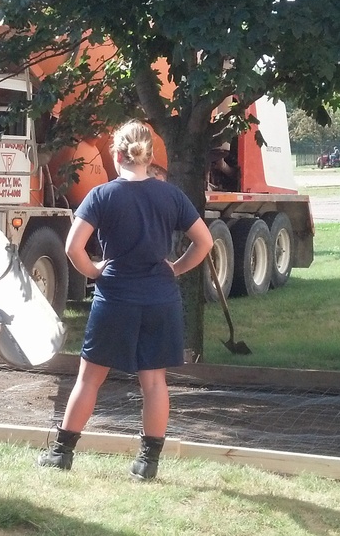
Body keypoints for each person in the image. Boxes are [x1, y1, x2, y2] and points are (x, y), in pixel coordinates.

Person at [37, 120, 213, 480]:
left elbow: (73, 247)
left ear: (117, 155)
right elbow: (205, 243)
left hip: (115, 298)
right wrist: (175, 270)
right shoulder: (172, 196)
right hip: (161, 299)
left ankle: (61, 454)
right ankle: (147, 464)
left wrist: (95, 270)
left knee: (89, 380)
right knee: (154, 382)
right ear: (149, 156)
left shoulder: (102, 195)